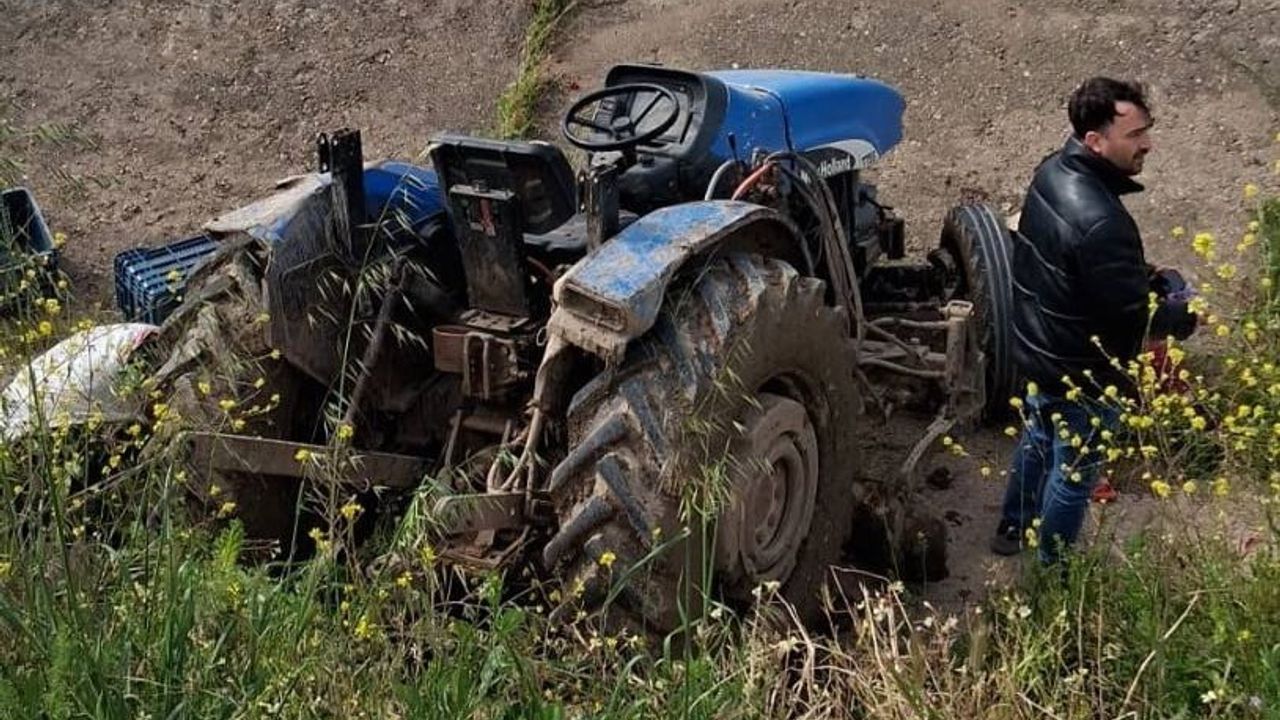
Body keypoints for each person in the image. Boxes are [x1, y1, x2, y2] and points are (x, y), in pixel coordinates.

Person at [991, 77, 1195, 563]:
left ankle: (1012, 529)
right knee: (1073, 476)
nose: (1147, 143)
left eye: (1146, 129)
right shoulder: (1102, 220)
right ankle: (1054, 574)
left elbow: (1063, 259)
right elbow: (1132, 317)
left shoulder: (1051, 171)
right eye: (1135, 134)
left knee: (1037, 438)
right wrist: (1185, 316)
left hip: (1039, 350)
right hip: (1083, 371)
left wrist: (1133, 272)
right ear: (1095, 141)